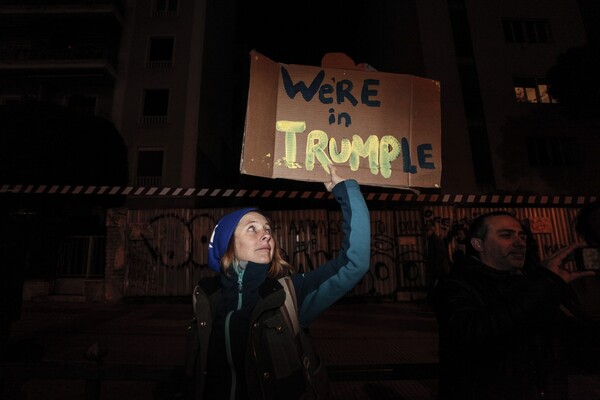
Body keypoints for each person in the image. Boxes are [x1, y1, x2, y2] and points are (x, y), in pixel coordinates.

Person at [185, 165, 370, 400]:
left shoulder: (289, 295)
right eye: (252, 228)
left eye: (268, 229)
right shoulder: (206, 299)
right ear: (227, 244)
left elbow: (355, 262)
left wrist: (346, 190)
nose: (266, 235)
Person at [433, 211, 595, 400]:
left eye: (522, 235)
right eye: (506, 235)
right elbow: (474, 334)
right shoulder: (454, 285)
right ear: (478, 244)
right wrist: (544, 284)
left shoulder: (529, 283)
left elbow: (567, 337)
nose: (520, 243)